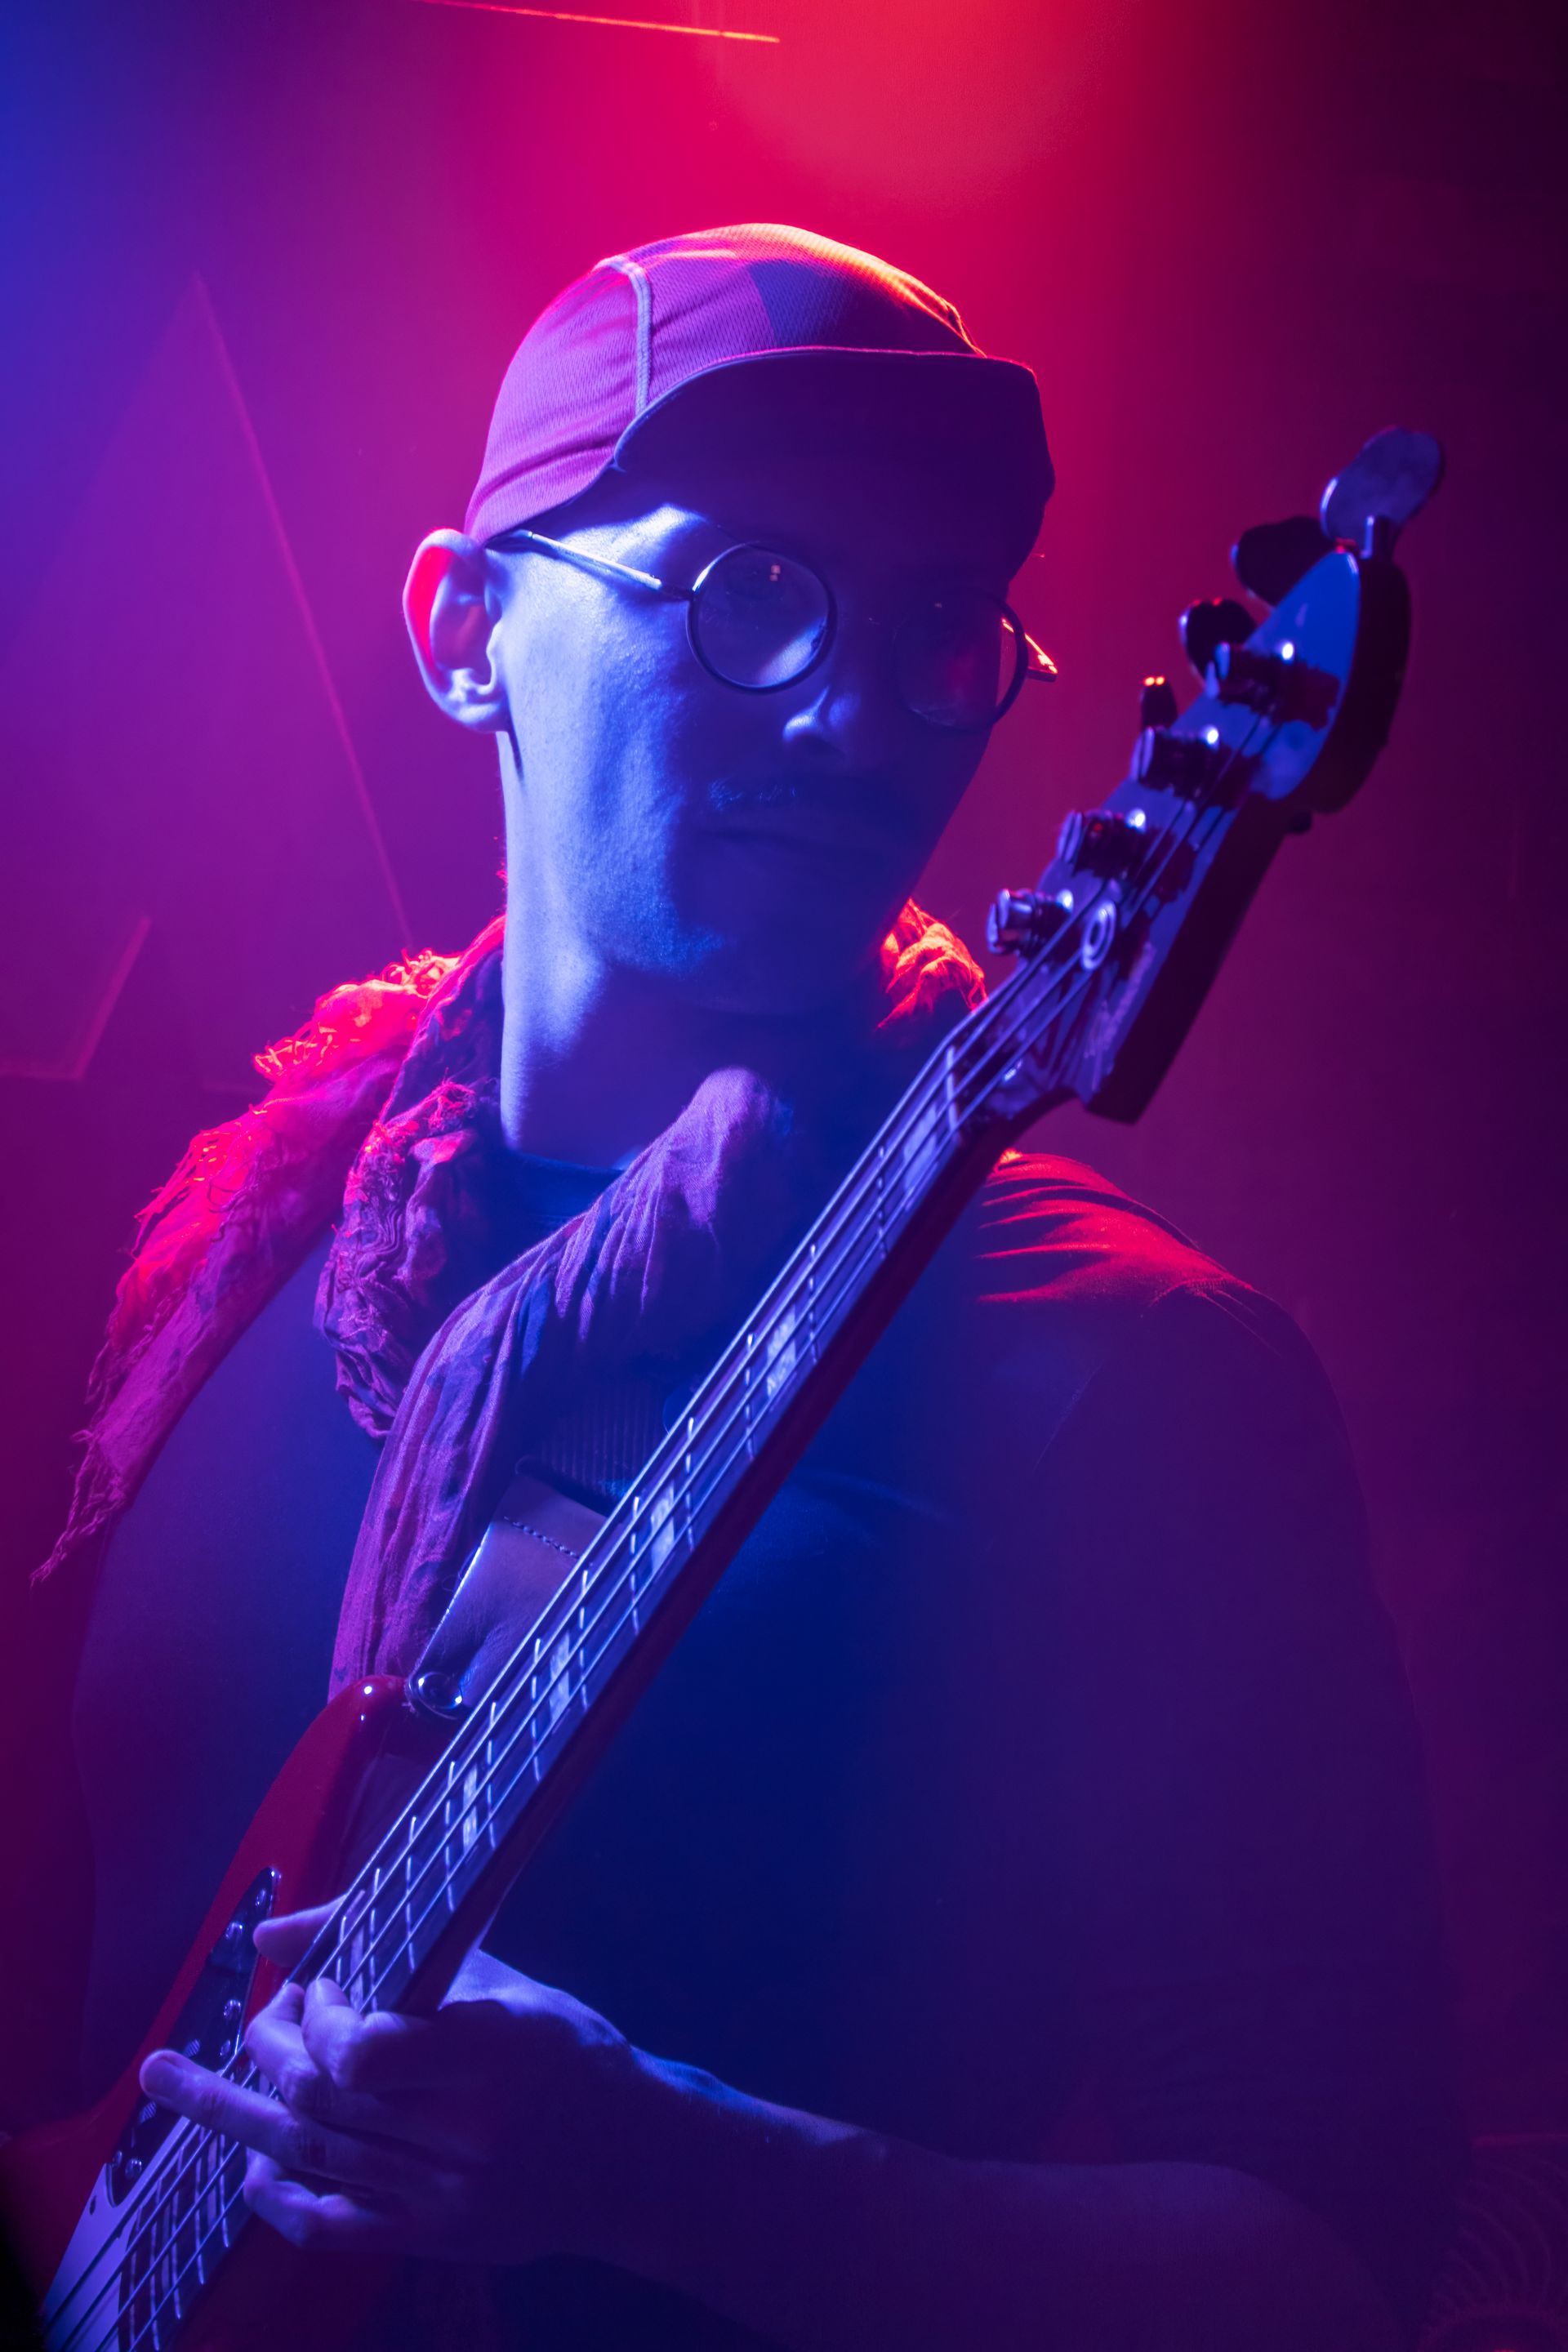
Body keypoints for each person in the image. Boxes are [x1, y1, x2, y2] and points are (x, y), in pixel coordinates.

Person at [46, 225, 1459, 2349]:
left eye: (937, 628)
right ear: (464, 627)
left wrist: (670, 2176)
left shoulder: (1134, 1371)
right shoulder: (248, 1257)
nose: (856, 705)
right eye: (748, 592)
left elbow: (1331, 2278)